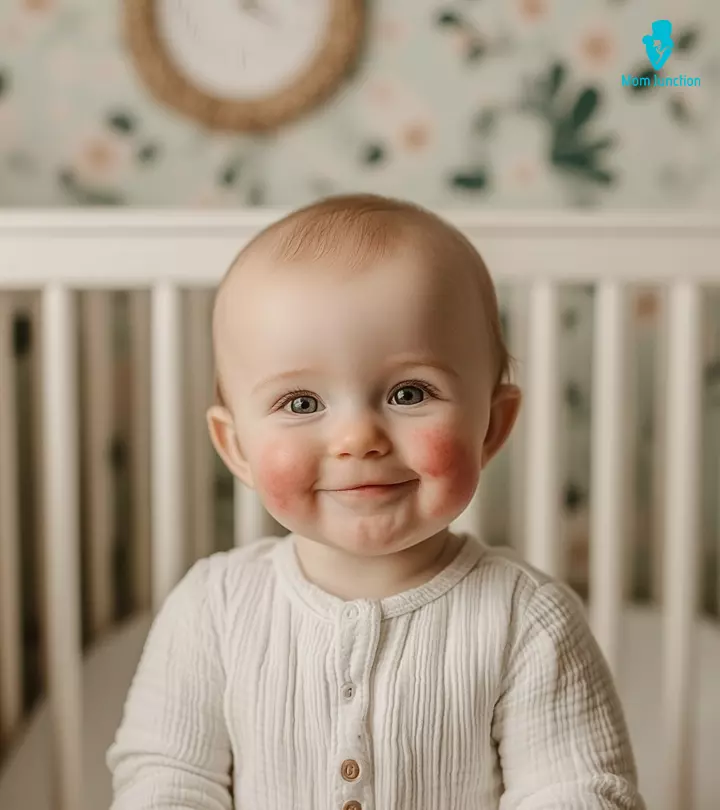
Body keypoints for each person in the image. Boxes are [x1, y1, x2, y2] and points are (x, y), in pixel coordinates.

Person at [107, 194, 645, 809]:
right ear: (237, 449)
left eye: (410, 392)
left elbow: (577, 788)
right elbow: (166, 776)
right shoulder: (214, 609)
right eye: (302, 403)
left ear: (491, 427)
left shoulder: (528, 619)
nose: (358, 439)